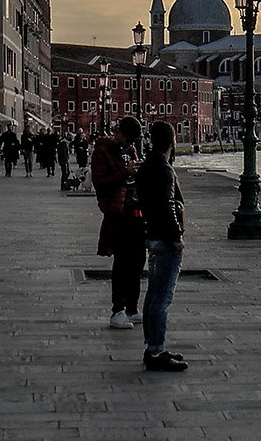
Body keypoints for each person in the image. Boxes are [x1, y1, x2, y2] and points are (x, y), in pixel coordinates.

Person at [138, 121, 186, 371]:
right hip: (165, 239)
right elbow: (168, 204)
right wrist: (177, 236)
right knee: (162, 298)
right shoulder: (164, 169)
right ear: (172, 141)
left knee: (153, 295)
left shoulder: (146, 166)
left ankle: (153, 346)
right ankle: (156, 350)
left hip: (152, 236)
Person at [92, 116, 144, 330]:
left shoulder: (131, 151)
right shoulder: (102, 151)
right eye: (129, 139)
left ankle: (132, 307)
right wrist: (126, 173)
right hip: (118, 212)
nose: (132, 144)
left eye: (134, 141)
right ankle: (118, 310)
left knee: (138, 261)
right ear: (119, 133)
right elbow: (100, 184)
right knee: (122, 263)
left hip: (136, 211)